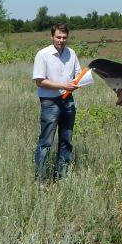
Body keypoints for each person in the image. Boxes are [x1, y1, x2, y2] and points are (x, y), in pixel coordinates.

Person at [32, 23, 81, 181]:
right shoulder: (43, 54)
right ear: (52, 36)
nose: (61, 40)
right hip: (50, 102)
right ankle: (41, 178)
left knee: (66, 139)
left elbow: (77, 75)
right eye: (58, 37)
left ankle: (63, 175)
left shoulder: (71, 53)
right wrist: (63, 85)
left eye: (64, 37)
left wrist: (77, 83)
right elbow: (40, 81)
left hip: (68, 100)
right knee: (46, 141)